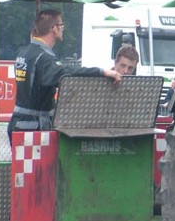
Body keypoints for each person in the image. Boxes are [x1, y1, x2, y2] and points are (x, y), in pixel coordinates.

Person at [8, 9, 122, 142]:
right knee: (41, 158)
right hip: (32, 130)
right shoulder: (44, 58)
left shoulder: (24, 53)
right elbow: (67, 74)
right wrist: (101, 72)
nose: (63, 29)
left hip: (19, 124)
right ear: (54, 28)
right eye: (61, 25)